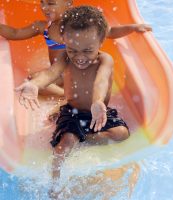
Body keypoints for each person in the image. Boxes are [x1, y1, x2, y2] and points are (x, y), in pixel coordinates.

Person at [15, 5, 130, 198]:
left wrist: (97, 102)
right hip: (74, 112)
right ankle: (54, 188)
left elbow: (101, 80)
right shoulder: (65, 58)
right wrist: (35, 84)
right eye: (72, 49)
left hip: (98, 110)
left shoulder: (105, 60)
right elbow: (50, 74)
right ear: (64, 41)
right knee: (63, 147)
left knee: (122, 133)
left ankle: (84, 138)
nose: (79, 56)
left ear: (101, 41)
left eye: (87, 50)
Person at [1, 0, 152, 96]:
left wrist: (133, 27)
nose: (44, 7)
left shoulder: (81, 24)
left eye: (51, 3)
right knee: (31, 81)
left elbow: (110, 32)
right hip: (58, 74)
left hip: (80, 73)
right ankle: (66, 96)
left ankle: (72, 96)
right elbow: (16, 33)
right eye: (42, 2)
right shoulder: (43, 26)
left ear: (68, 3)